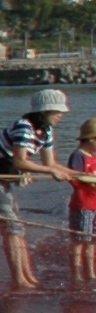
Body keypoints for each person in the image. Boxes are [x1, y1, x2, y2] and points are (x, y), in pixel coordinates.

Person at [0, 88, 70, 291]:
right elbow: (21, 161)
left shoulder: (46, 131)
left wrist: (78, 174)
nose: (61, 115)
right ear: (43, 111)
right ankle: (19, 279)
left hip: (1, 173)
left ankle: (27, 275)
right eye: (56, 111)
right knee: (11, 226)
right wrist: (47, 171)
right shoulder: (24, 127)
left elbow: (51, 163)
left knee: (17, 226)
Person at [67, 117, 96, 287]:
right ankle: (76, 274)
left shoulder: (94, 156)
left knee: (93, 239)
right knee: (79, 240)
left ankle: (90, 272)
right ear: (91, 139)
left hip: (95, 203)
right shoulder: (79, 156)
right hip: (83, 204)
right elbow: (76, 178)